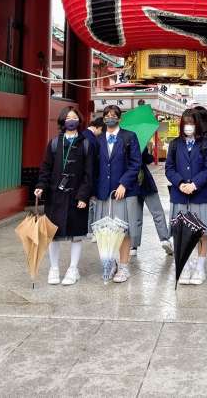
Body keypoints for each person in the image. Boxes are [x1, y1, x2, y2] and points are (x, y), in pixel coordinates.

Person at [34, 107, 94, 286]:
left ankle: (73, 269)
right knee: (53, 234)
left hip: (77, 196)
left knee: (77, 234)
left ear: (79, 121)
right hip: (55, 196)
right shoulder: (54, 143)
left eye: (74, 117)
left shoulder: (86, 144)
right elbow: (46, 168)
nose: (71, 120)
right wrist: (40, 186)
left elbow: (89, 173)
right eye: (68, 118)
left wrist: (83, 196)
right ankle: (54, 268)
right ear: (62, 121)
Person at [92, 104, 142, 283]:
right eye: (107, 115)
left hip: (123, 192)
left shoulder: (129, 137)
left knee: (122, 230)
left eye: (114, 115)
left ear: (119, 119)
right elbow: (93, 165)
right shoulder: (98, 139)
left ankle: (124, 267)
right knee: (105, 230)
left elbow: (136, 163)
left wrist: (124, 184)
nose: (110, 118)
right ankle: (110, 263)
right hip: (103, 191)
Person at [165, 109, 207, 285]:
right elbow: (169, 168)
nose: (188, 127)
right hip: (179, 194)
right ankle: (185, 265)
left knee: (201, 231)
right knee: (181, 231)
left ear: (197, 124)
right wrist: (180, 183)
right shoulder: (174, 144)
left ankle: (200, 267)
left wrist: (194, 184)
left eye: (191, 123)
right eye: (186, 123)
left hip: (200, 193)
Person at [131, 144, 173, 257]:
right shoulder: (139, 142)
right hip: (145, 183)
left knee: (135, 217)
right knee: (157, 213)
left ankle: (133, 246)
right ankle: (164, 240)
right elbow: (148, 159)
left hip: (130, 186)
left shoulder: (121, 142)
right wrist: (150, 154)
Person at [82, 116, 103, 241]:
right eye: (102, 131)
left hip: (83, 177)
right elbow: (94, 163)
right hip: (91, 177)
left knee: (88, 205)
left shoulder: (82, 134)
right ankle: (92, 231)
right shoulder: (93, 140)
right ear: (98, 127)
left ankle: (88, 230)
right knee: (93, 205)